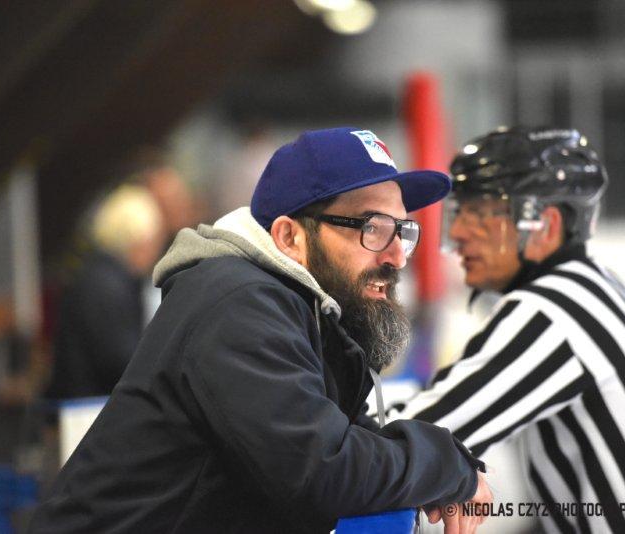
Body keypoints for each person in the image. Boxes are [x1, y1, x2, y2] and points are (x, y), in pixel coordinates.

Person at [30, 127, 492, 534]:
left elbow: (346, 441)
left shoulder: (301, 310)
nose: (396, 256)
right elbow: (324, 471)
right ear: (290, 238)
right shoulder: (238, 304)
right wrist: (446, 464)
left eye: (403, 230)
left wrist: (443, 463)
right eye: (372, 228)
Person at [390, 126, 625, 533]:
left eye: (480, 214)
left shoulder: (552, 312)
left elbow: (410, 441)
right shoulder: (591, 291)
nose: (457, 233)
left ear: (544, 225)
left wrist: (319, 432)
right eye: (460, 214)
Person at [44, 184, 164, 399]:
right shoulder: (107, 286)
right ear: (137, 239)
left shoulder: (100, 276)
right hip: (87, 409)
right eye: (152, 241)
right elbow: (122, 361)